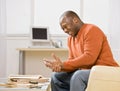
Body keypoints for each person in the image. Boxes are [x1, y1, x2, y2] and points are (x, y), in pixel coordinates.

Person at [43, 10, 119, 91]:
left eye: (65, 26)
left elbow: (89, 58)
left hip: (105, 70)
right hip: (88, 71)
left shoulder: (91, 30)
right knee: (56, 76)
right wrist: (60, 67)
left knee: (78, 76)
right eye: (63, 29)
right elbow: (72, 62)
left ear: (75, 20)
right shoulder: (70, 39)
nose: (65, 31)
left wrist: (63, 65)